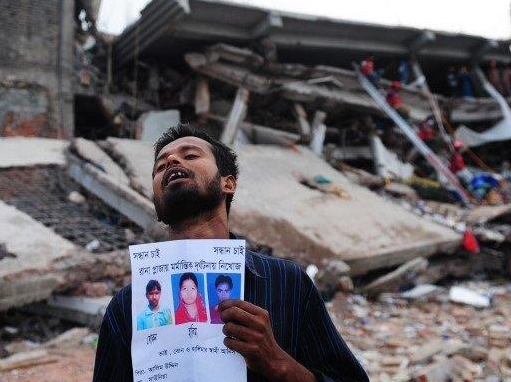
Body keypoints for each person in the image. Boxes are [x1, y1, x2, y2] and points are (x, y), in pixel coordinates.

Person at [93, 124, 367, 382]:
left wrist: (278, 363)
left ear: (228, 183)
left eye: (190, 155)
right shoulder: (126, 307)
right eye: (160, 166)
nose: (173, 162)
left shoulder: (288, 283)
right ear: (157, 202)